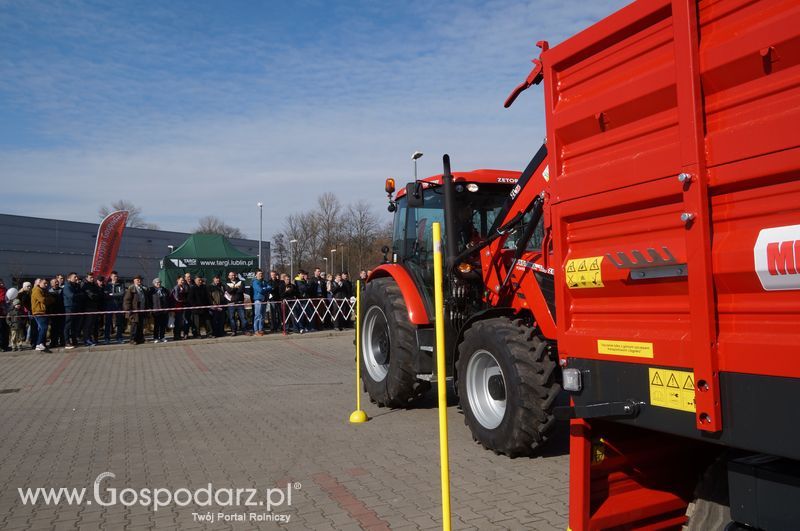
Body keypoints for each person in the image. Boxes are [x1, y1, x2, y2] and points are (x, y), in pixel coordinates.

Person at [123, 275, 148, 344]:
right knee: (134, 325)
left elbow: (146, 299)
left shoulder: (143, 289)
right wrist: (128, 309)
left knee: (141, 325)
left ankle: (140, 339)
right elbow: (127, 300)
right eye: (137, 280)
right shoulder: (131, 289)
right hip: (134, 310)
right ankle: (132, 339)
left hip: (142, 309)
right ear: (134, 281)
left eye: (140, 280)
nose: (139, 281)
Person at [62, 273, 84, 349]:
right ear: (69, 278)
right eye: (75, 277)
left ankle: (74, 340)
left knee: (75, 325)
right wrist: (79, 295)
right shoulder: (67, 286)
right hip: (69, 307)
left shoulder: (76, 285)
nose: (76, 278)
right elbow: (71, 296)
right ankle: (67, 342)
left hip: (76, 307)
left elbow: (82, 294)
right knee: (68, 325)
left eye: (77, 277)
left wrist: (79, 295)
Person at [104, 271, 126, 344]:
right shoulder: (107, 285)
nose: (115, 278)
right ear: (111, 277)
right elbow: (106, 295)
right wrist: (114, 295)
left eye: (116, 276)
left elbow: (122, 294)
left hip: (118, 306)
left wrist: (112, 294)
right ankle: (107, 338)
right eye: (114, 276)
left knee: (119, 322)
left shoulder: (121, 285)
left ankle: (119, 337)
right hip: (109, 306)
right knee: (108, 322)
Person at [224, 272, 248, 336]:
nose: (233, 276)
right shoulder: (226, 283)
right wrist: (236, 288)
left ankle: (245, 331)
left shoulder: (241, 282)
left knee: (243, 318)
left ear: (236, 276)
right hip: (231, 303)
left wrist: (233, 289)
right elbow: (229, 291)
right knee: (232, 318)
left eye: (234, 275)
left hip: (240, 303)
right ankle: (234, 331)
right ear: (229, 276)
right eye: (231, 275)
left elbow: (241, 290)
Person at [82, 272, 102, 346]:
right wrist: (96, 295)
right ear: (87, 278)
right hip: (88, 307)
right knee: (88, 324)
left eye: (93, 277)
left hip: (94, 307)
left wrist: (96, 295)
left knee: (92, 325)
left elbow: (99, 294)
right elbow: (91, 296)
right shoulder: (85, 285)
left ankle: (90, 339)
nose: (92, 279)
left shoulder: (94, 285)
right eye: (90, 277)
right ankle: (86, 340)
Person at [31, 278, 51, 352]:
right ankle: (39, 343)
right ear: (39, 283)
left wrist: (48, 298)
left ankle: (41, 343)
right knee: (43, 328)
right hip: (38, 311)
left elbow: (48, 298)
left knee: (43, 328)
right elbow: (43, 300)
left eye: (47, 284)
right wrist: (49, 299)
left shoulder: (43, 290)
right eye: (44, 283)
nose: (46, 285)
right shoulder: (37, 290)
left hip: (43, 312)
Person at [150, 278, 171, 343]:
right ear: (154, 284)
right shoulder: (151, 290)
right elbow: (150, 301)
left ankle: (162, 337)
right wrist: (151, 309)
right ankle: (156, 337)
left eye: (159, 282)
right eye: (157, 282)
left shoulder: (164, 290)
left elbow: (168, 299)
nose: (158, 284)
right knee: (157, 325)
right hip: (156, 310)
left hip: (164, 310)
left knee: (163, 324)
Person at [47, 278, 65, 349]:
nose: (57, 283)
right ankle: (53, 342)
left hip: (61, 312)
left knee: (62, 328)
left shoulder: (62, 290)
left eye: (57, 282)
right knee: (53, 329)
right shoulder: (49, 292)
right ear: (51, 284)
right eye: (55, 282)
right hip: (53, 313)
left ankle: (62, 341)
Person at [251, 270, 270, 336]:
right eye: (259, 274)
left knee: (262, 316)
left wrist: (265, 288)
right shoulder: (255, 282)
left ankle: (261, 329)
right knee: (257, 315)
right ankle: (256, 330)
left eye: (261, 274)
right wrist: (265, 288)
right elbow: (260, 290)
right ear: (256, 275)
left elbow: (270, 288)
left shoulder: (264, 281)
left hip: (264, 300)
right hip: (258, 300)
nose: (261, 275)